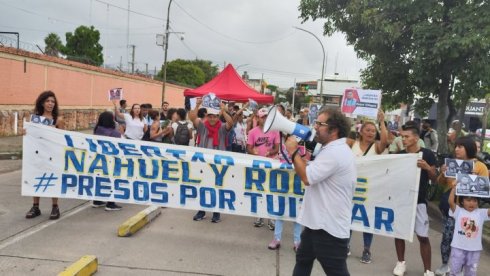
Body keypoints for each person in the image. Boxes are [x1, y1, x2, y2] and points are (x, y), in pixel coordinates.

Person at [285, 107, 355, 276]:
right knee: (303, 260)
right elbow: (315, 171)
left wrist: (293, 151)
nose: (315, 127)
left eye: (319, 124)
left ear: (334, 129)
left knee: (336, 271)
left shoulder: (335, 152)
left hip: (328, 228)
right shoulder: (330, 149)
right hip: (316, 224)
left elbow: (307, 178)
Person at [435, 136, 488, 275]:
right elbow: (440, 182)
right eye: (456, 146)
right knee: (447, 238)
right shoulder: (452, 164)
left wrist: (471, 179)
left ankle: (464, 269)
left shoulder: (480, 166)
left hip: (471, 212)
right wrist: (442, 171)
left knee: (467, 237)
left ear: (469, 148)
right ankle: (446, 264)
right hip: (453, 208)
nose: (456, 149)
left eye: (460, 146)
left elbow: (484, 188)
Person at [393, 125, 437, 276]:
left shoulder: (427, 154)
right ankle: (401, 263)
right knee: (399, 233)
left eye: (406, 136)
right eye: (402, 137)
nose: (403, 139)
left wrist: (426, 167)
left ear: (416, 137)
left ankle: (428, 270)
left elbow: (435, 178)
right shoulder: (400, 155)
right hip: (402, 200)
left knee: (423, 236)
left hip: (419, 201)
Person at [346, 110, 388, 264]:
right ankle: (346, 245)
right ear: (361, 132)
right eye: (368, 130)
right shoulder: (351, 144)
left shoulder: (377, 147)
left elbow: (384, 140)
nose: (371, 133)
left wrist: (381, 122)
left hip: (370, 190)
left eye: (373, 131)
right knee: (348, 217)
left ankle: (367, 249)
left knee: (367, 220)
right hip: (351, 189)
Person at [189, 98, 234, 223]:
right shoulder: (202, 126)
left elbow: (231, 123)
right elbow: (193, 117)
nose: (213, 119)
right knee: (202, 186)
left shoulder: (223, 127)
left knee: (217, 187)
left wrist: (224, 111)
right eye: (210, 116)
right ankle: (201, 211)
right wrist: (197, 105)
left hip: (218, 163)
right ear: (207, 117)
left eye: (215, 116)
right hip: (203, 162)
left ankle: (216, 213)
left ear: (218, 117)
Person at [25, 91, 65, 220]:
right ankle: (35, 207)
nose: (50, 104)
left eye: (52, 101)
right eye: (48, 101)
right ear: (42, 103)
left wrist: (53, 130)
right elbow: (30, 136)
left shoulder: (58, 120)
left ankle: (55, 207)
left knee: (53, 178)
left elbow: (63, 137)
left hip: (53, 154)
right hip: (37, 154)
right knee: (36, 177)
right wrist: (25, 132)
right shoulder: (34, 119)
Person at [247, 107, 280, 230]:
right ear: (257, 118)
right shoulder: (252, 132)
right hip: (258, 166)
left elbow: (277, 148)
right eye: (263, 117)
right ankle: (260, 216)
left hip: (272, 165)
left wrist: (270, 152)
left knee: (271, 191)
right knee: (259, 191)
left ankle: (271, 218)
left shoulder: (275, 131)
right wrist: (253, 151)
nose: (265, 119)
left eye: (267, 117)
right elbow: (249, 148)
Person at [447, 185, 489, 276]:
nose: (472, 203)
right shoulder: (458, 211)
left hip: (474, 250)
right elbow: (450, 202)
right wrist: (454, 189)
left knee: (471, 273)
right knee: (454, 270)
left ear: (478, 202)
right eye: (468, 200)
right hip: (458, 247)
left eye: (475, 201)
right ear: (462, 201)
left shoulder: (481, 213)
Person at [91, 111, 123, 211]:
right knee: (112, 180)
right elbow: (122, 141)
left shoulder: (97, 129)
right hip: (111, 160)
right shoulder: (114, 133)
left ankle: (97, 200)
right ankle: (110, 203)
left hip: (99, 159)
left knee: (100, 179)